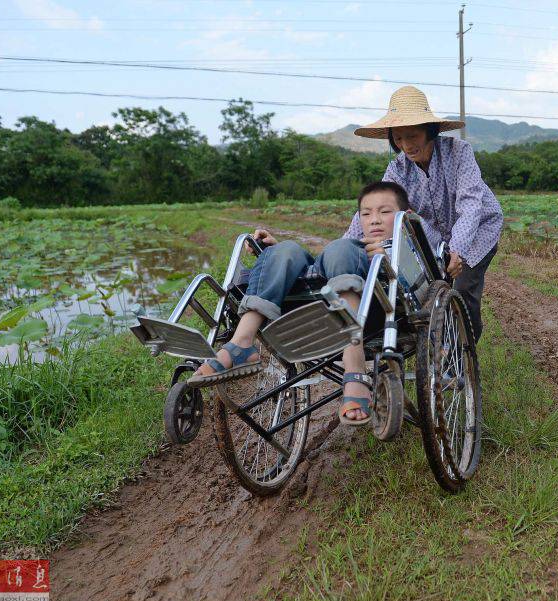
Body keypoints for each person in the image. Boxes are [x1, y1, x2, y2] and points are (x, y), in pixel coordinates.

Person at [187, 181, 440, 426]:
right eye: (365, 213)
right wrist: (275, 252)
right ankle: (241, 343)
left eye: (385, 212)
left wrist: (389, 259)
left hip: (377, 310)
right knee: (283, 251)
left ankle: (354, 365)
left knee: (341, 248)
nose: (374, 219)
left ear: (404, 216)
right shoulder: (355, 246)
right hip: (321, 300)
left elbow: (424, 286)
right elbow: (325, 263)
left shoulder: (408, 249)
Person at [345, 85, 503, 340]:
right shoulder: (398, 169)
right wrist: (345, 247)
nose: (406, 145)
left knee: (463, 289)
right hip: (435, 234)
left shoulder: (459, 152)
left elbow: (471, 204)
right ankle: (440, 342)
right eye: (398, 138)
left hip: (478, 231)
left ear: (429, 131)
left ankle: (464, 351)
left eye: (413, 136)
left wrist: (458, 250)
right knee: (429, 287)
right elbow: (375, 206)